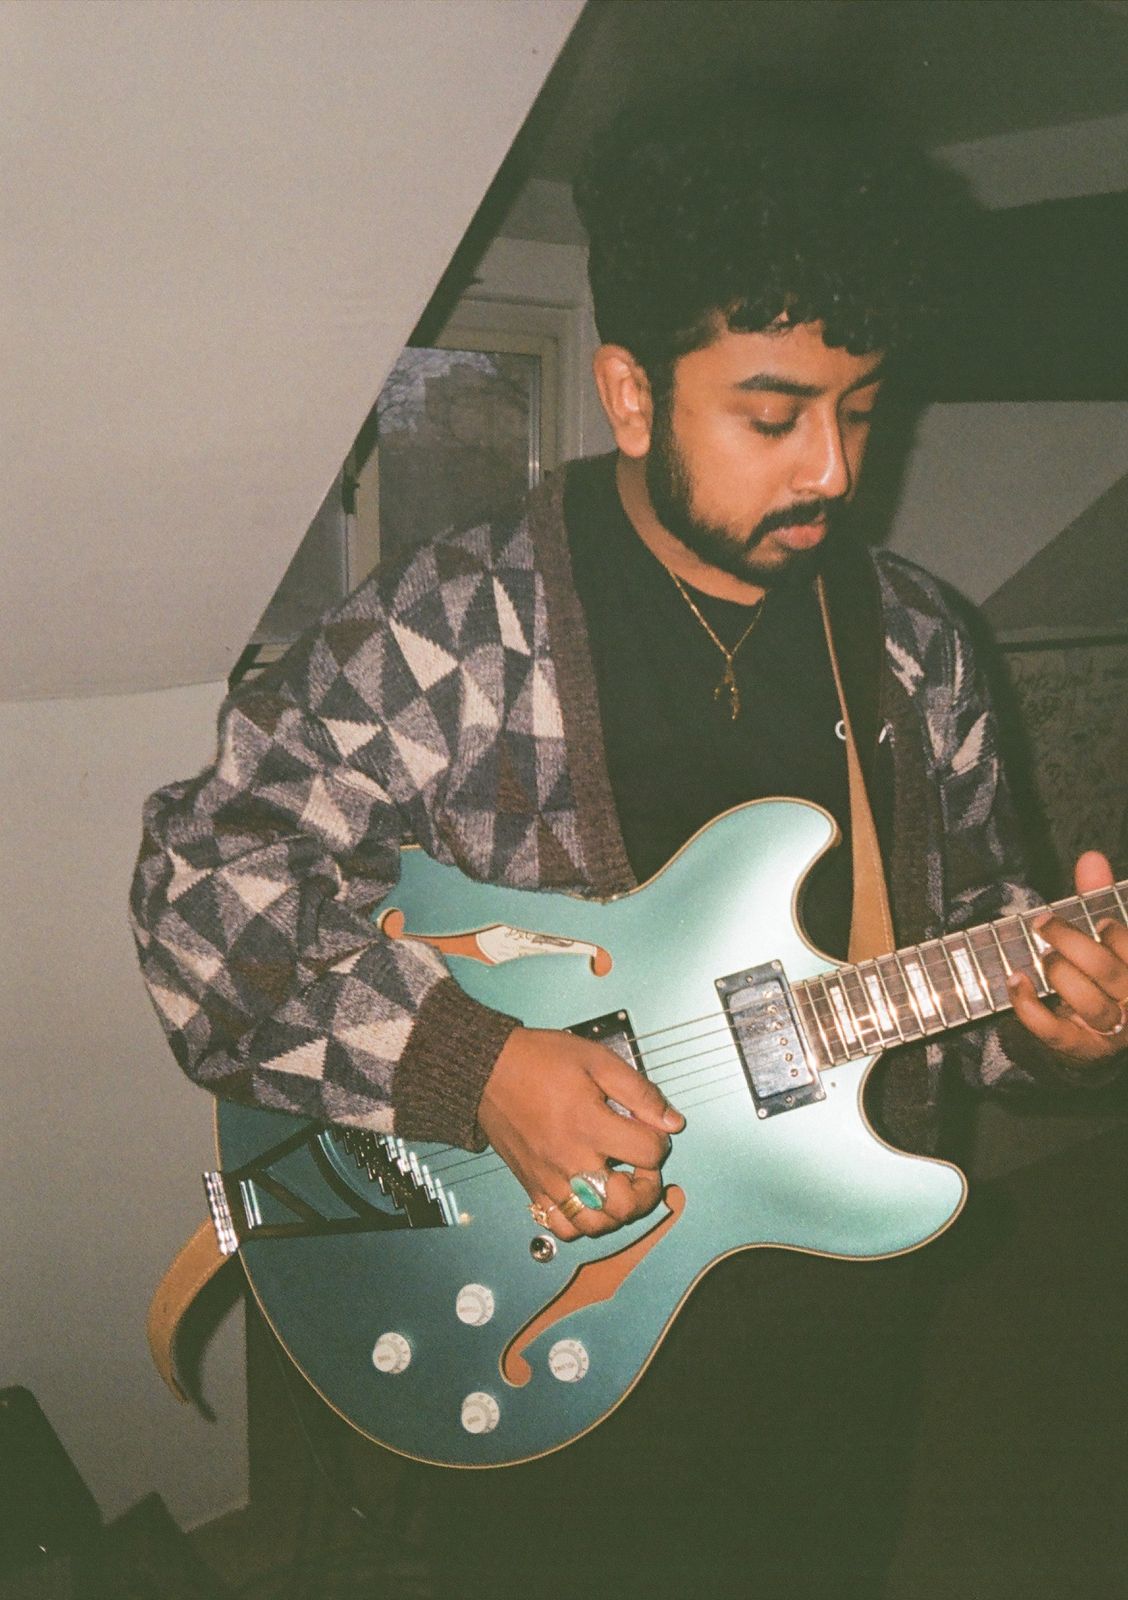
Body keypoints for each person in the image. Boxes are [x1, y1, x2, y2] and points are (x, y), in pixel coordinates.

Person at [131, 86, 1127, 1597]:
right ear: (632, 394)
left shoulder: (918, 648)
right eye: (774, 416)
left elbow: (963, 953)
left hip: (838, 1317)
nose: (834, 470)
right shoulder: (458, 628)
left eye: (862, 411)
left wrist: (1059, 1028)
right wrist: (476, 1065)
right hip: (539, 1317)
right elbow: (204, 890)